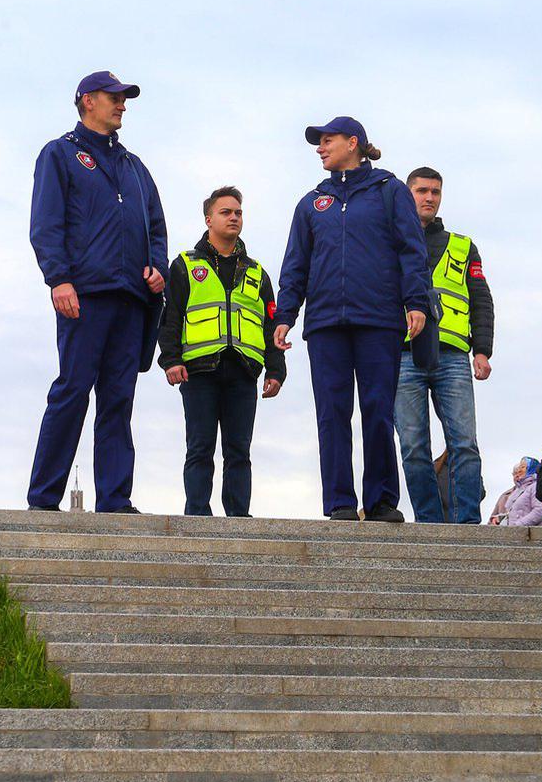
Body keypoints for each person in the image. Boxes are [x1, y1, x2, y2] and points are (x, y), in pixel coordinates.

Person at [274, 117, 434, 522]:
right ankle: (340, 503)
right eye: (318, 142)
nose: (320, 148)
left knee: (378, 409)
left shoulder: (390, 191)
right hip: (326, 324)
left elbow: (411, 250)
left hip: (379, 320)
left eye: (327, 141)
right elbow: (296, 263)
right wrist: (286, 313)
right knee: (331, 413)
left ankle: (381, 501)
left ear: (353, 143)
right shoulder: (311, 202)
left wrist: (415, 301)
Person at [26, 71, 168, 513]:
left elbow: (157, 228)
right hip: (84, 295)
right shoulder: (60, 155)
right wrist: (58, 278)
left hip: (132, 299)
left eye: (124, 99)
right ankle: (44, 499)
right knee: (72, 390)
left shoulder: (135, 167)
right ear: (88, 101)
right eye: (114, 97)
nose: (122, 105)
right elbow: (46, 224)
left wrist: (158, 269)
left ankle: (115, 500)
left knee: (118, 399)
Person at [157, 186, 286, 516]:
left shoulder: (257, 272)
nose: (234, 217)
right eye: (226, 212)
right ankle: (197, 516)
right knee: (199, 448)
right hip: (198, 370)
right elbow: (171, 316)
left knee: (239, 450)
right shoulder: (185, 265)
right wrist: (170, 359)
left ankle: (239, 517)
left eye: (238, 212)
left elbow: (270, 324)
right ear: (208, 219)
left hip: (243, 371)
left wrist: (276, 370)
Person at [395, 167, 495, 524]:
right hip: (403, 356)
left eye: (435, 192)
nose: (429, 198)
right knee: (413, 447)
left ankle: (468, 522)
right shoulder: (387, 242)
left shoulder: (463, 246)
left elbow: (481, 299)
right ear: (407, 195)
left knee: (464, 442)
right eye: (421, 191)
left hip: (452, 354)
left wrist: (482, 349)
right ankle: (429, 524)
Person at [489, 457, 542, 527]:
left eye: (523, 467)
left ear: (531, 469)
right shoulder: (518, 489)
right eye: (519, 467)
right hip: (513, 533)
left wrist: (517, 526)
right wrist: (500, 518)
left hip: (526, 534)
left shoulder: (536, 487)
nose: (519, 470)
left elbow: (539, 511)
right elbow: (516, 513)